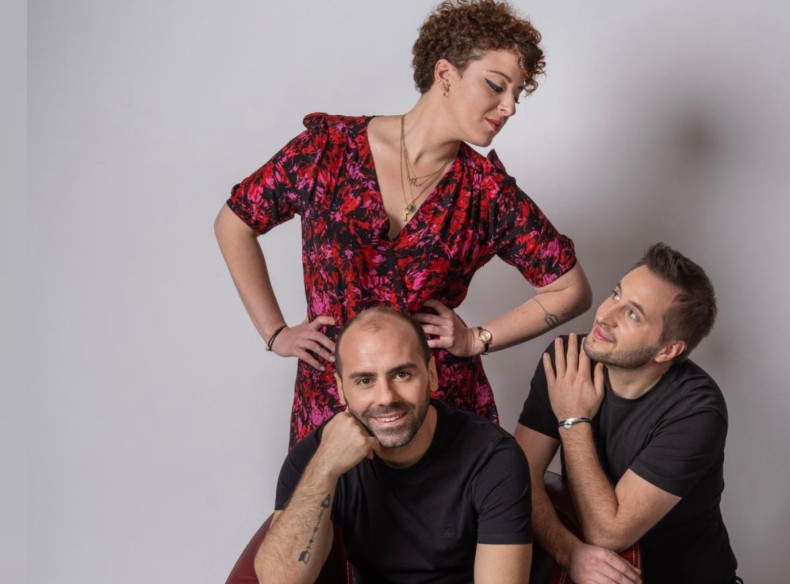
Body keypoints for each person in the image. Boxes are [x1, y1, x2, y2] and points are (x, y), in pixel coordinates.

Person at [214, 0, 592, 447]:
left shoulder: (487, 193)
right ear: (445, 74)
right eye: (496, 85)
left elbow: (571, 290)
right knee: (325, 494)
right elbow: (234, 222)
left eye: (518, 93)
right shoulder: (328, 150)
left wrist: (476, 339)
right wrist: (275, 332)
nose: (509, 106)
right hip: (332, 401)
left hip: (439, 411)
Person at [254, 307, 532, 584]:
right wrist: (325, 468)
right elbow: (277, 581)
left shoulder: (492, 457)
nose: (386, 397)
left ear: (431, 374)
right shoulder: (316, 456)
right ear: (340, 389)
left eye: (402, 374)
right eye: (365, 380)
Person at [515, 243, 740, 584]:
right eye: (615, 294)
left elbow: (608, 532)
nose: (606, 316)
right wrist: (568, 552)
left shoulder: (697, 411)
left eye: (633, 314)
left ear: (668, 350)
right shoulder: (568, 359)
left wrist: (573, 419)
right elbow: (516, 476)